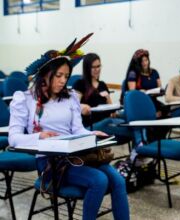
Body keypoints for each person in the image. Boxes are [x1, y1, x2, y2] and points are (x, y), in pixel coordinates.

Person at [8, 36, 130, 220]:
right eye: (58, 76)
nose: (63, 80)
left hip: (78, 155)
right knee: (99, 180)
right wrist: (40, 136)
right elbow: (14, 138)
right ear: (45, 74)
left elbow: (77, 129)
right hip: (51, 162)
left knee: (118, 181)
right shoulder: (24, 98)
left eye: (66, 76)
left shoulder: (70, 96)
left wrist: (91, 134)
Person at [73, 53, 130, 138]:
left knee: (129, 117)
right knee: (108, 122)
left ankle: (139, 143)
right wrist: (82, 106)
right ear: (87, 68)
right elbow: (74, 105)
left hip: (106, 121)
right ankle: (140, 142)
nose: (97, 69)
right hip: (91, 125)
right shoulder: (80, 84)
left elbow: (112, 111)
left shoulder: (102, 84)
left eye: (98, 66)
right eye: (93, 67)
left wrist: (107, 97)